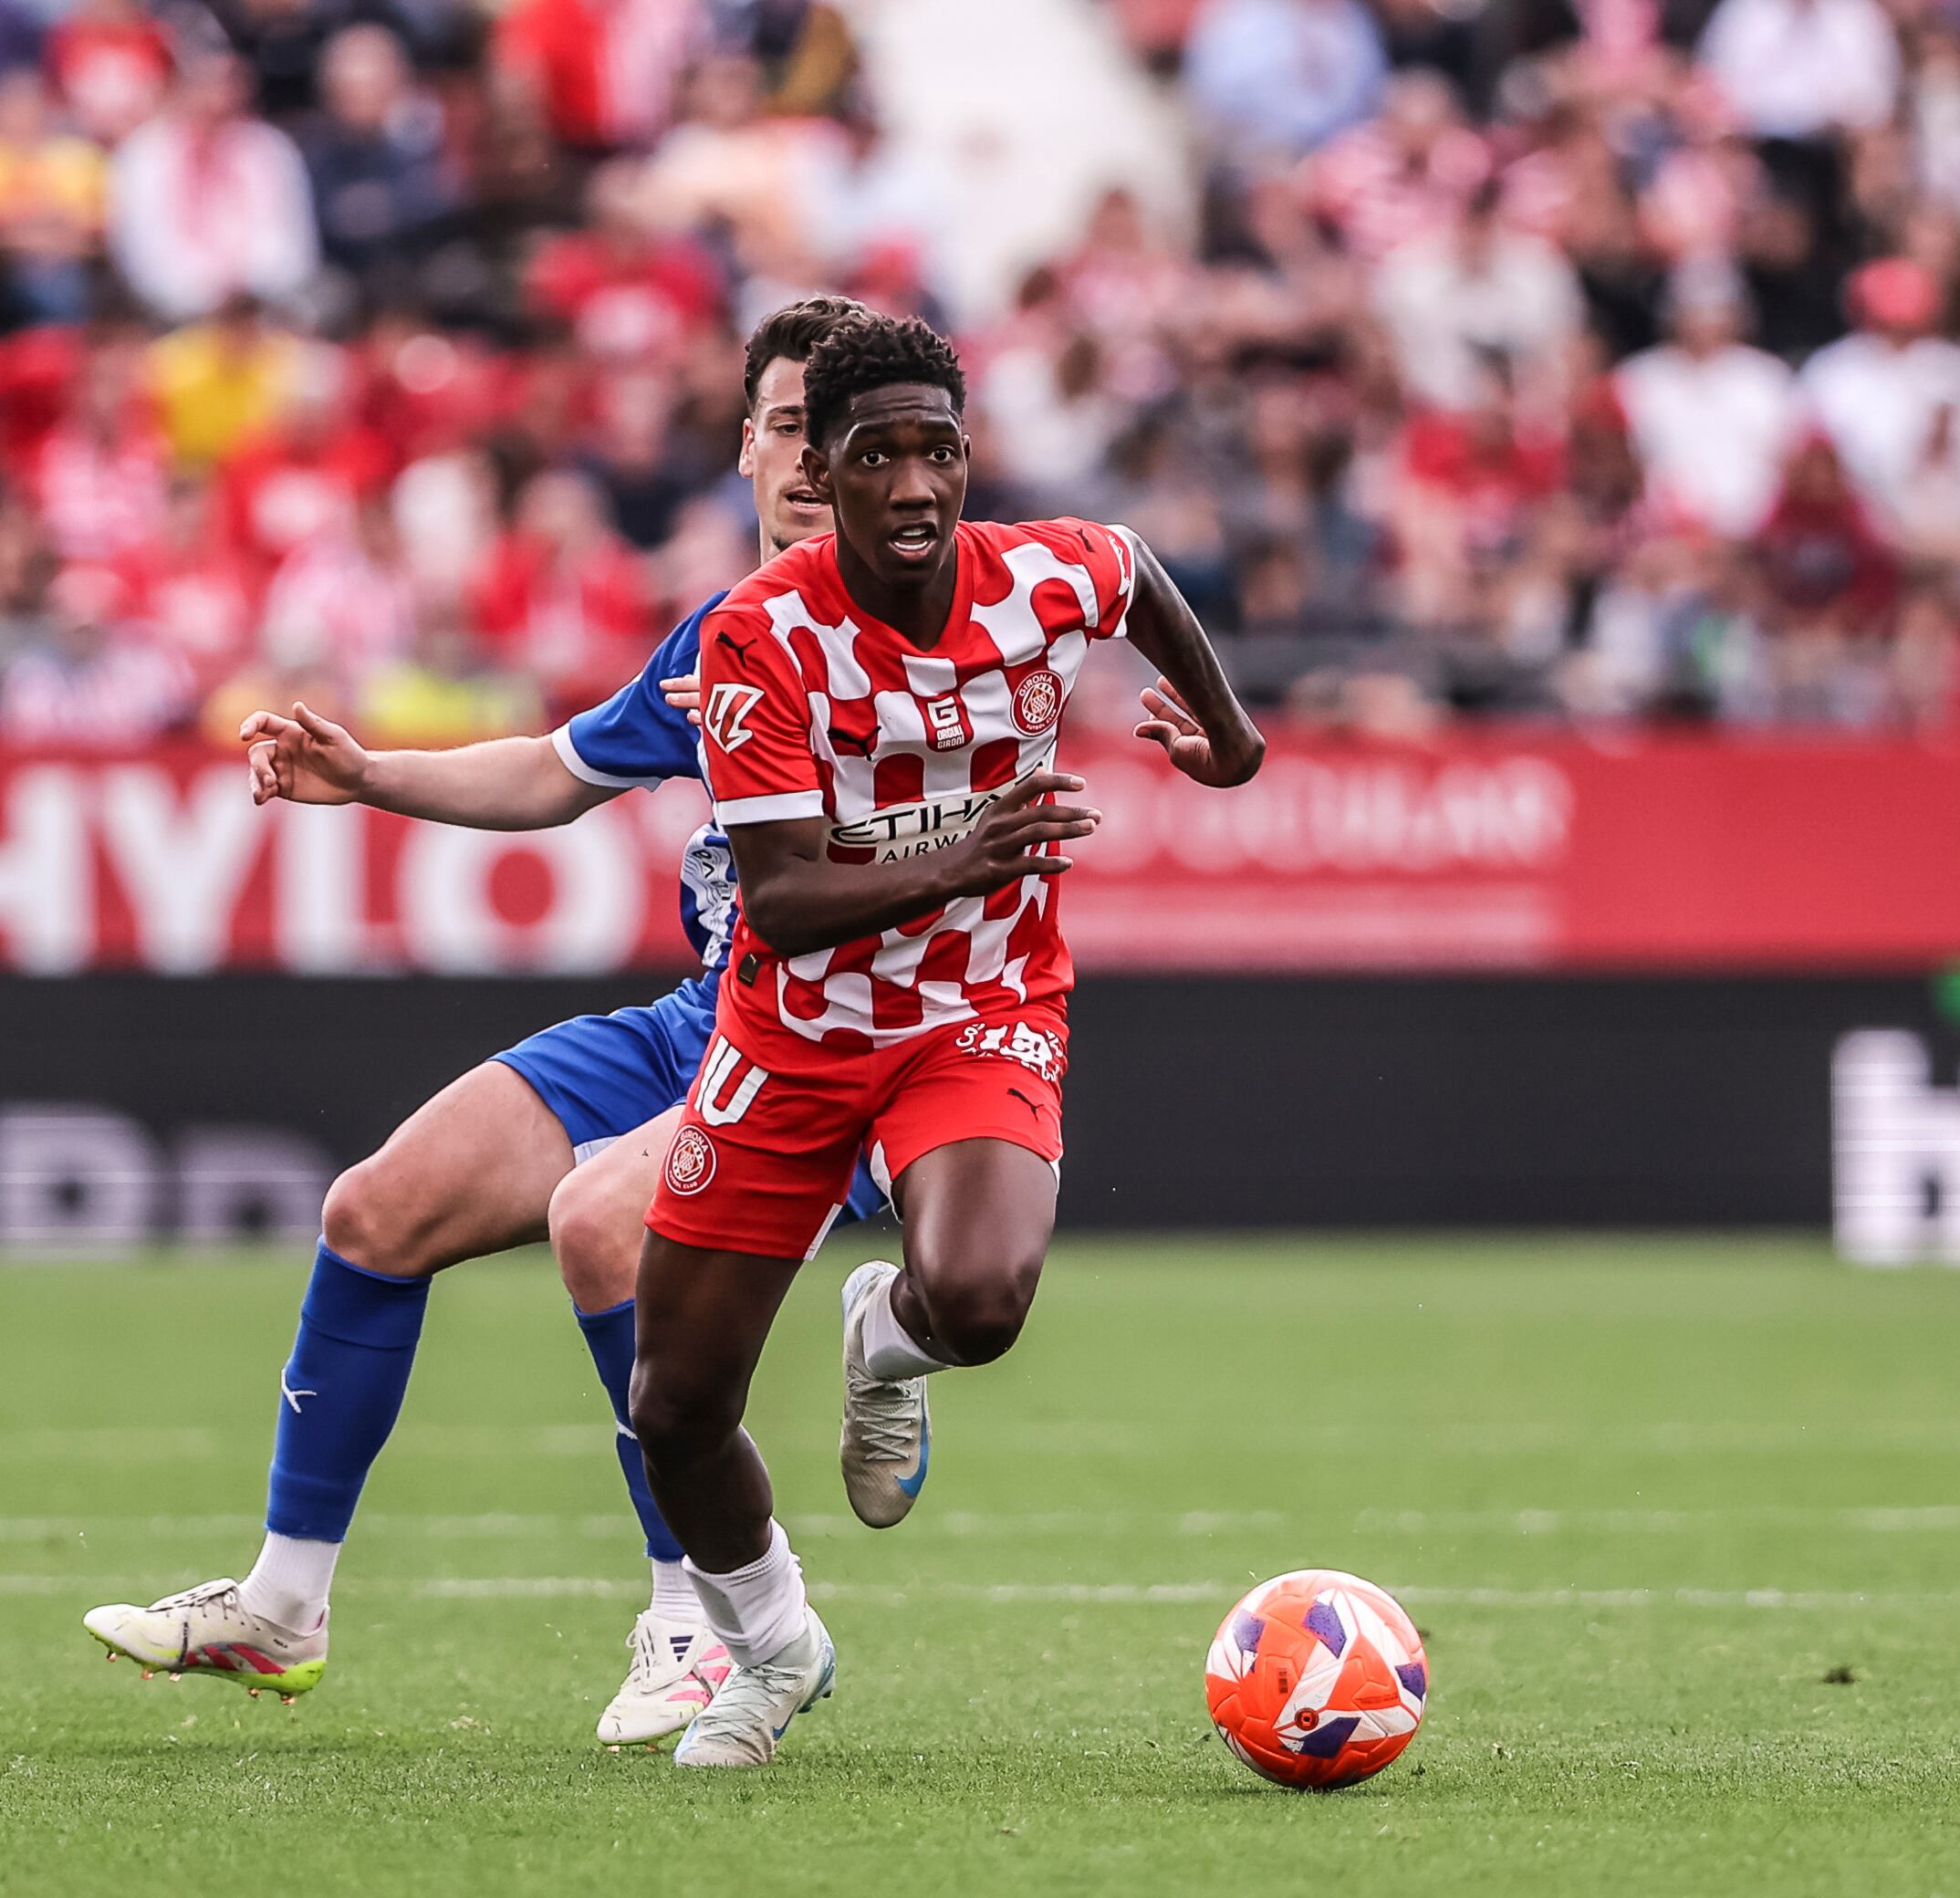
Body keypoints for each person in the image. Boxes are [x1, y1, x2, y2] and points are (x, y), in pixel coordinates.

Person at [80, 297, 883, 1749]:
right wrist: (369, 774)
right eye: (785, 426)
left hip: (835, 1051)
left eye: (840, 433)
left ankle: (700, 1618)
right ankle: (283, 1605)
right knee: (377, 1210)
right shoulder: (724, 631)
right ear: (746, 448)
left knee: (604, 1226)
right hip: (702, 1019)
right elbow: (561, 770)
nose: (810, 460)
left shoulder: (921, 633)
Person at [624, 311, 1264, 1768]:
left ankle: (887, 1333)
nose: (915, 484)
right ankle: (774, 1648)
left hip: (981, 1008)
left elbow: (1137, 572)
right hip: (794, 1032)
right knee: (676, 1407)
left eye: (941, 451)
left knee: (978, 1301)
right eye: (877, 455)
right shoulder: (759, 636)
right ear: (821, 474)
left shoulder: (1044, 576)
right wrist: (962, 856)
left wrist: (1231, 741)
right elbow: (782, 902)